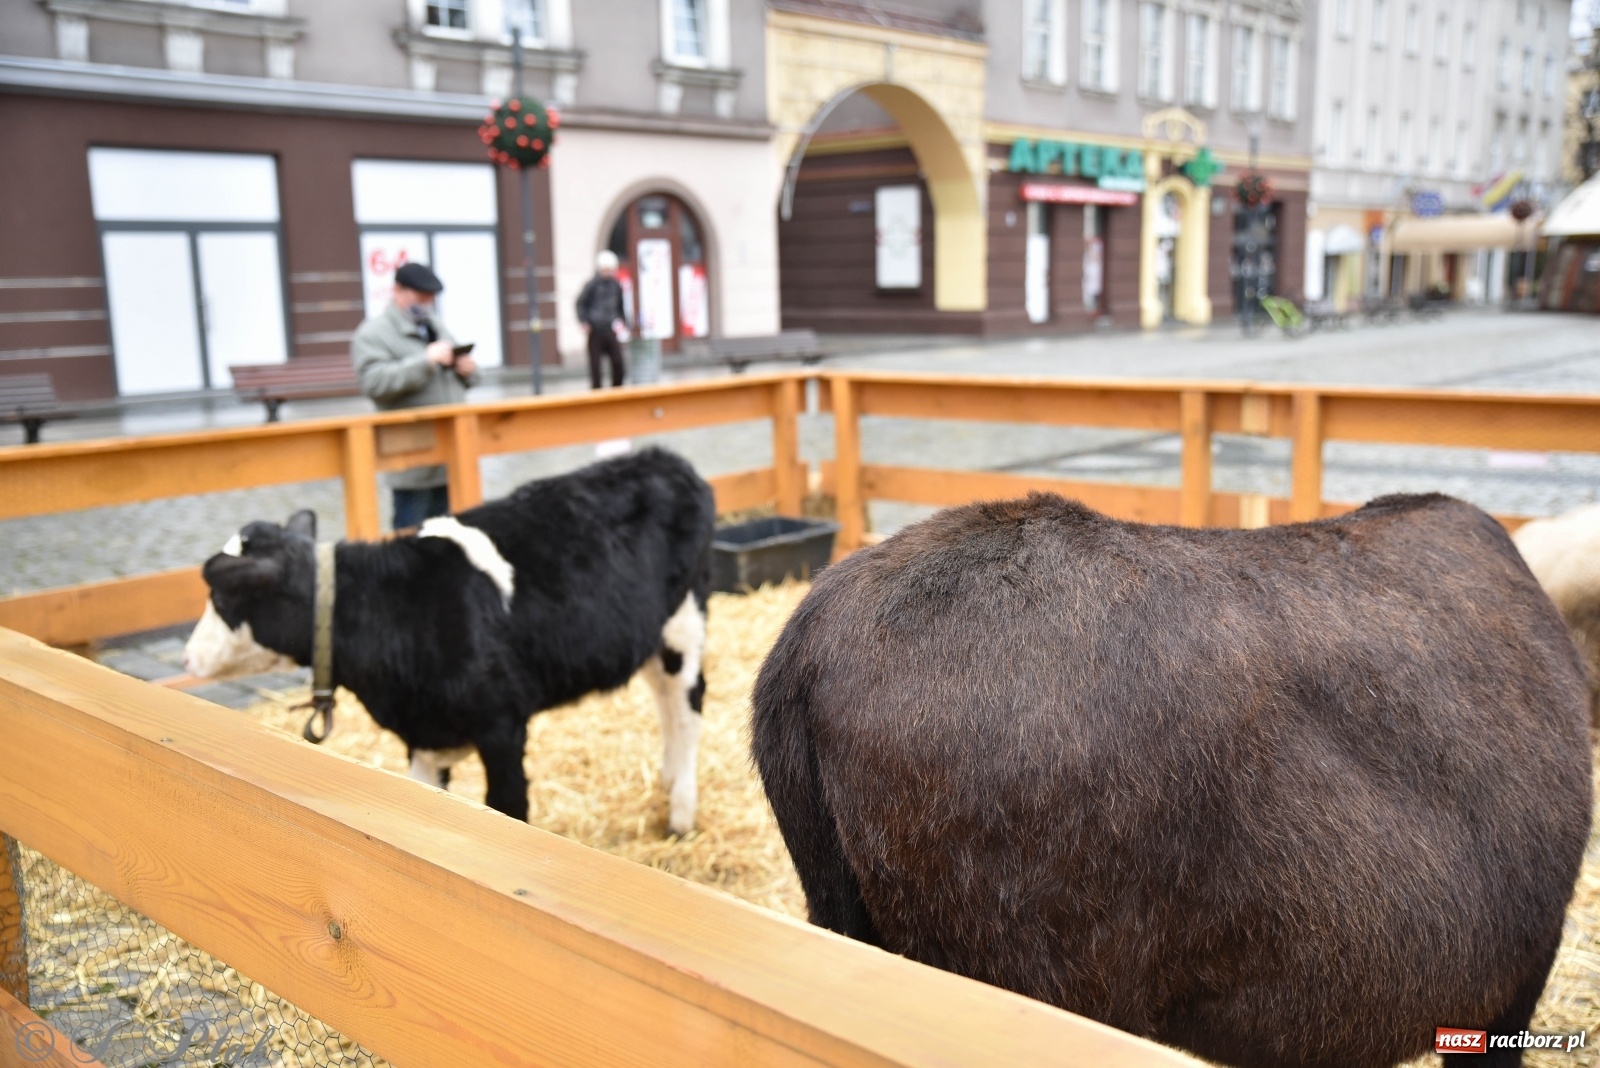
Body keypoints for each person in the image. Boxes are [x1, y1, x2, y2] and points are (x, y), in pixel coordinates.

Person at [351, 261, 480, 531]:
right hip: (412, 457)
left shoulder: (435, 325)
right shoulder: (373, 333)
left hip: (453, 452)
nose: (426, 303)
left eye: (430, 298)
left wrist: (467, 370)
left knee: (452, 534)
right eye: (420, 296)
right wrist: (424, 361)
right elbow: (374, 384)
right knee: (410, 537)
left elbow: (467, 379)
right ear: (397, 290)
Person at [575, 250, 627, 389]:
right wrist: (584, 321)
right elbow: (581, 303)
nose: (607, 272)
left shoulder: (616, 285)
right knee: (595, 365)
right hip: (595, 329)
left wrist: (622, 321)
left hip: (610, 328)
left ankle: (617, 390)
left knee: (618, 361)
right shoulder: (592, 285)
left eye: (610, 269)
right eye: (605, 269)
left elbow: (620, 306)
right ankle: (597, 391)